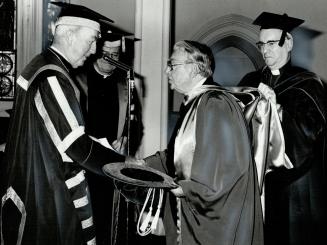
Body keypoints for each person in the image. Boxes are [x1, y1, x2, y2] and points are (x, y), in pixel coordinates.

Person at [0, 3, 128, 245]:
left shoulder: (38, 65)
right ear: (69, 33)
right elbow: (76, 146)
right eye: (91, 40)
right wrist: (125, 165)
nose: (94, 50)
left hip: (29, 177)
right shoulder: (53, 75)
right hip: (46, 186)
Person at [131, 40, 264, 245]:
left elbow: (230, 169)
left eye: (172, 64)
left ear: (193, 69)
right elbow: (179, 153)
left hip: (213, 222)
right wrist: (144, 165)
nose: (167, 71)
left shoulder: (216, 103)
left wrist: (186, 188)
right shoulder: (196, 102)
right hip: (192, 211)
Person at [239, 12, 327, 245]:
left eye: (271, 43)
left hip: (296, 185)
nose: (265, 50)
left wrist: (275, 109)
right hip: (257, 184)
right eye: (261, 44)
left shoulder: (308, 83)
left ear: (288, 42)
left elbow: (308, 135)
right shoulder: (250, 81)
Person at [75, 31, 143, 245]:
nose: (112, 60)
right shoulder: (78, 80)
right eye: (106, 54)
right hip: (84, 163)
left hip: (113, 162)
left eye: (116, 54)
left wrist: (126, 140)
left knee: (110, 220)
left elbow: (136, 124)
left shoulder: (125, 84)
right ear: (96, 52)